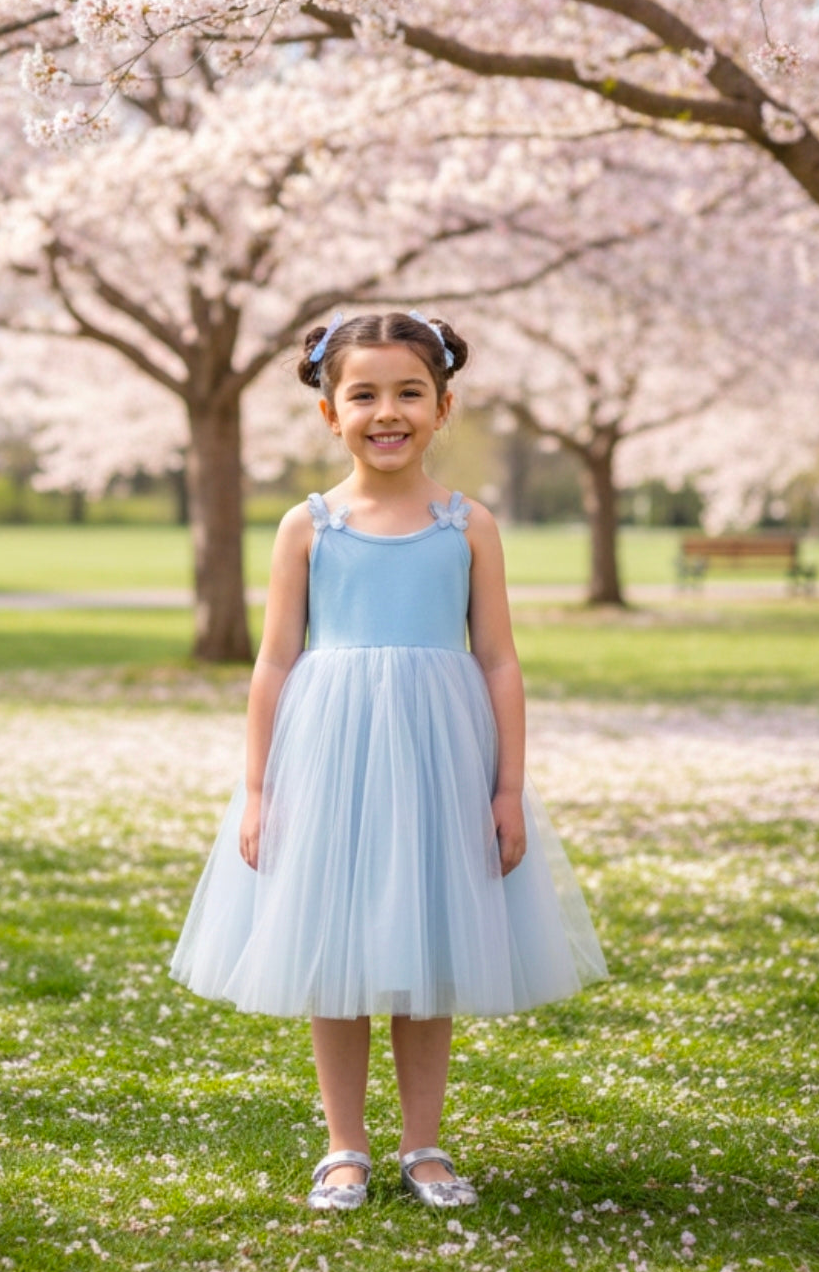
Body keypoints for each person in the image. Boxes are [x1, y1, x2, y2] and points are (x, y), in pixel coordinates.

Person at [170, 310, 607, 1211]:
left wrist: (508, 787)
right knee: (333, 950)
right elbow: (275, 660)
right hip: (329, 757)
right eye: (362, 393)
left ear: (442, 405)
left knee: (426, 943)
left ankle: (424, 1142)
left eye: (409, 392)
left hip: (439, 758)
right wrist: (257, 788)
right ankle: (343, 1146)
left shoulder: (466, 525)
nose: (387, 411)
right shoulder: (310, 525)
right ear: (330, 412)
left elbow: (497, 657)